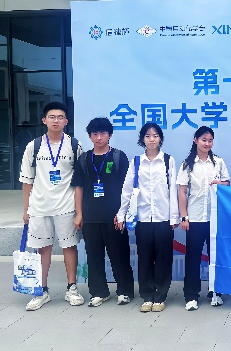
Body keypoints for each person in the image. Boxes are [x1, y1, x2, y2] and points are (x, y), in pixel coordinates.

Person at [19, 101, 84, 311]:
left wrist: (79, 212)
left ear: (66, 121)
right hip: (39, 207)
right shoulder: (34, 146)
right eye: (52, 117)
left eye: (60, 117)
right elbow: (27, 180)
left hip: (66, 205)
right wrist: (26, 210)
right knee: (42, 249)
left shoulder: (74, 145)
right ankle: (41, 290)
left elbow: (80, 181)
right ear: (44, 120)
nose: (56, 120)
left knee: (69, 247)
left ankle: (72, 288)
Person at [116, 123, 178, 313]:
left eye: (155, 135)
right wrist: (121, 214)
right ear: (142, 139)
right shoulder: (136, 162)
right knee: (144, 259)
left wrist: (174, 217)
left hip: (163, 218)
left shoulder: (168, 160)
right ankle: (147, 296)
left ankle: (160, 296)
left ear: (160, 138)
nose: (152, 139)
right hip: (142, 218)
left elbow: (173, 191)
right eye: (148, 136)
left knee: (163, 259)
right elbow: (127, 190)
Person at [72, 117, 134, 307]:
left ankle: (124, 291)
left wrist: (122, 213)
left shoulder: (118, 157)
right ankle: (99, 292)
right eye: (95, 134)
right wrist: (79, 214)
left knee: (119, 255)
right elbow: (78, 187)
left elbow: (128, 188)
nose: (99, 137)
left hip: (114, 216)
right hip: (90, 216)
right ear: (90, 136)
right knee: (93, 256)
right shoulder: (84, 159)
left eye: (103, 133)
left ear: (109, 135)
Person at [177, 126, 230, 310]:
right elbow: (182, 192)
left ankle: (215, 292)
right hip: (195, 218)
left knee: (215, 256)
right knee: (193, 257)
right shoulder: (187, 164)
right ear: (195, 140)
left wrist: (219, 183)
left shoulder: (218, 162)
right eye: (203, 140)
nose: (207, 144)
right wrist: (184, 216)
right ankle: (191, 296)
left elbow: (227, 184)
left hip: (214, 217)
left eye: (210, 140)